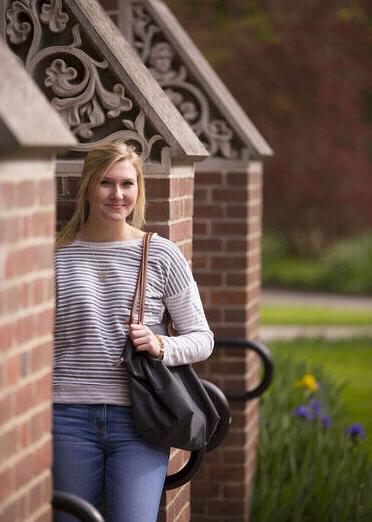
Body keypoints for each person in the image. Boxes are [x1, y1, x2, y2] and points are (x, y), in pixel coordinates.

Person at [53, 141, 214, 522]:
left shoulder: (160, 254)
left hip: (140, 421)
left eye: (127, 184)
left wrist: (161, 345)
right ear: (88, 186)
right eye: (106, 183)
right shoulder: (57, 255)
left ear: (139, 188)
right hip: (67, 416)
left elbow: (202, 339)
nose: (117, 194)